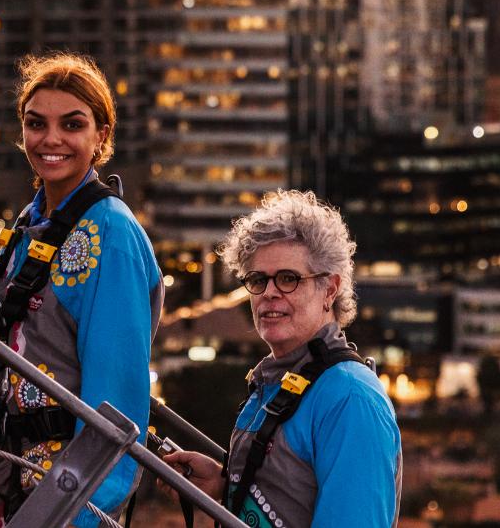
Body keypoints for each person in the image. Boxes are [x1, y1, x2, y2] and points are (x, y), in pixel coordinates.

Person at [0, 53, 163, 527]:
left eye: (72, 124)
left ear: (102, 135)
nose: (51, 139)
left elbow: (114, 408)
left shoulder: (110, 237)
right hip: (5, 481)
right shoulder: (32, 223)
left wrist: (79, 517)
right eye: (36, 124)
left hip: (62, 502)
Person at [162, 190, 400, 528]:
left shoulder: (349, 397)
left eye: (289, 279)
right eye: (258, 280)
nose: (270, 292)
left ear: (330, 290)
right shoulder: (279, 380)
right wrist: (225, 483)